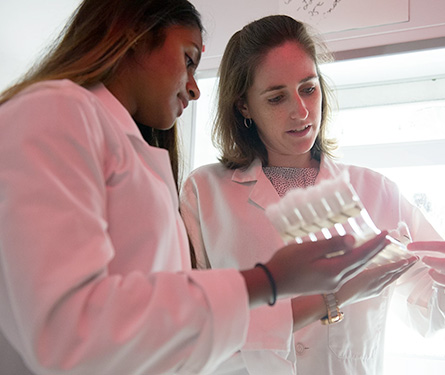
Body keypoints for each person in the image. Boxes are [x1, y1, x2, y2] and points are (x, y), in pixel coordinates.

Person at [0, 2, 394, 375]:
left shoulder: (133, 149)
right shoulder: (56, 111)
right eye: (188, 59)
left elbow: (173, 328)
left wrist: (302, 292)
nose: (194, 88)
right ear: (134, 37)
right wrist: (273, 281)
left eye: (308, 88)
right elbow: (69, 334)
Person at [179, 14, 445, 374]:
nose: (300, 111)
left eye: (308, 88)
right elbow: (188, 333)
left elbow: (441, 310)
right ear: (243, 106)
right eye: (276, 98)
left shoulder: (375, 193)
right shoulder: (204, 194)